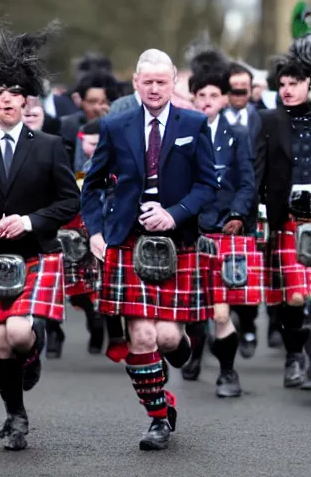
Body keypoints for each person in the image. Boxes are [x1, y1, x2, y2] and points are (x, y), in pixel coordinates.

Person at [0, 22, 80, 451]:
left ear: (25, 101)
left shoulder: (47, 145)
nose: (5, 98)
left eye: (13, 92)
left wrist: (29, 220)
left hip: (34, 251)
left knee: (20, 334)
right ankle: (15, 415)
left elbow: (68, 202)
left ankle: (37, 346)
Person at [81, 49, 217, 451]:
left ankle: (182, 346)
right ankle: (158, 417)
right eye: (148, 82)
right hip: (129, 241)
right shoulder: (116, 124)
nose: (155, 89)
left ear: (174, 81)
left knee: (168, 338)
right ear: (136, 83)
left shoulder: (194, 122)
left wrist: (175, 215)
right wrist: (95, 232)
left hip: (178, 241)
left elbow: (207, 184)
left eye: (162, 81)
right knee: (142, 335)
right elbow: (92, 186)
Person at [181, 47, 259, 397]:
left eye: (215, 94)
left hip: (225, 229)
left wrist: (239, 215)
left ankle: (228, 374)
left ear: (225, 99)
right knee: (193, 312)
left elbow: (247, 183)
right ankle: (195, 351)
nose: (208, 100)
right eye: (202, 95)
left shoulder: (238, 136)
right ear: (194, 99)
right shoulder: (180, 135)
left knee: (221, 313)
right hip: (190, 230)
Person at [255, 35, 311, 388]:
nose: (287, 90)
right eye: (283, 84)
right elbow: (257, 170)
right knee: (295, 296)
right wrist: (257, 215)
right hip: (288, 219)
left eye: (295, 83)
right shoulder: (269, 121)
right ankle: (294, 357)